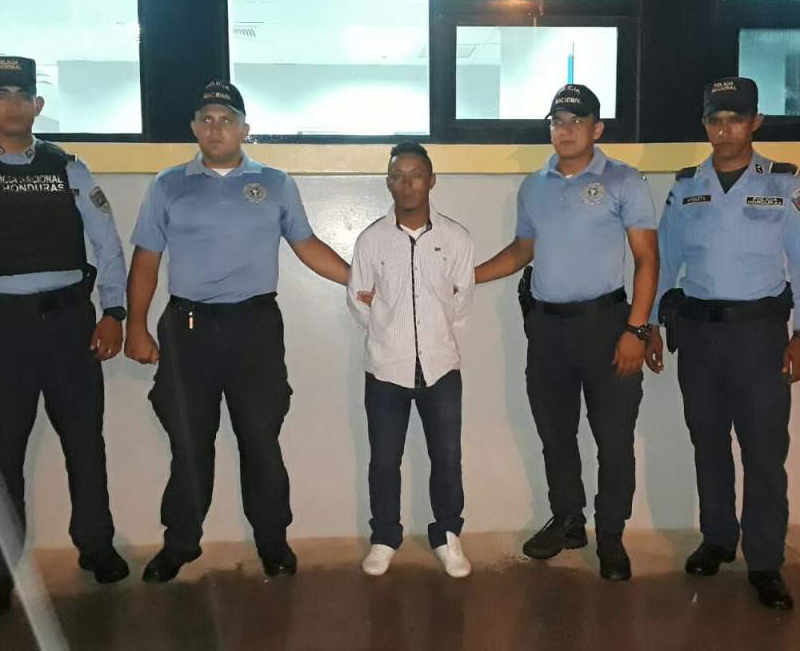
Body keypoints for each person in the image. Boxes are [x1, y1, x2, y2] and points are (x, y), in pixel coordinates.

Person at [0, 56, 130, 616]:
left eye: (23, 95)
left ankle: (97, 547)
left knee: (85, 446)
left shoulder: (69, 169)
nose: (13, 105)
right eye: (1, 95)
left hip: (69, 328)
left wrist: (114, 311)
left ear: (38, 105)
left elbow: (108, 245)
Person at [126, 80, 349, 582]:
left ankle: (272, 541)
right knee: (189, 443)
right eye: (206, 119)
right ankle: (180, 543)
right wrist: (135, 327)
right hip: (188, 330)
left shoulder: (275, 183)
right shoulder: (167, 185)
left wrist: (359, 281)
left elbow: (307, 245)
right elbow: (146, 258)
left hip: (255, 329)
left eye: (226, 120)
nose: (216, 128)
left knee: (261, 440)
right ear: (194, 128)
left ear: (245, 129)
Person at [646, 76, 800, 611]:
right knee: (707, 442)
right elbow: (662, 260)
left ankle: (766, 561)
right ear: (705, 124)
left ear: (755, 122)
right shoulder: (687, 187)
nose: (724, 129)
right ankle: (718, 538)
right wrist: (650, 323)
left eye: (735, 119)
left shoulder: (784, 184)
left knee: (764, 451)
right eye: (715, 119)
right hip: (698, 336)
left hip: (759, 337)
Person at [475, 84, 659, 581]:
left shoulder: (623, 180)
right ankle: (569, 520)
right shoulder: (534, 186)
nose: (566, 129)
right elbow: (522, 251)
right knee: (555, 436)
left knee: (613, 441)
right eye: (558, 121)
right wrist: (465, 277)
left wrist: (637, 329)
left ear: (597, 129)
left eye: (577, 121)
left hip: (609, 328)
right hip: (548, 332)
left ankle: (612, 535)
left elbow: (647, 258)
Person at [347, 142, 475, 578]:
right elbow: (359, 302)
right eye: (397, 175)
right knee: (384, 460)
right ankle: (384, 537)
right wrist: (391, 332)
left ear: (431, 180)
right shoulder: (372, 240)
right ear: (388, 182)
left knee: (447, 458)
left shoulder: (455, 238)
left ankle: (447, 535)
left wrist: (434, 335)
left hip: (441, 368)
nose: (407, 184)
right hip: (386, 369)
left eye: (416, 174)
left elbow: (462, 301)